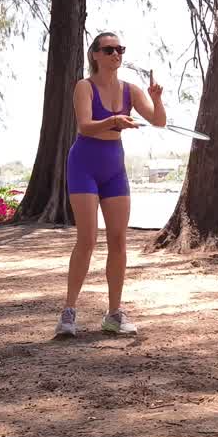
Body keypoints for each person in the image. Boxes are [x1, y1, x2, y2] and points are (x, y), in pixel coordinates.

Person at [55, 32, 165, 337]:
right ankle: (68, 313)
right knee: (87, 239)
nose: (116, 54)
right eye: (109, 49)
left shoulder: (131, 89)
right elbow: (85, 126)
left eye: (120, 49)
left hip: (114, 167)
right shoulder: (84, 87)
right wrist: (114, 120)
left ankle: (113, 314)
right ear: (95, 55)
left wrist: (156, 100)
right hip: (84, 165)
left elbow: (159, 121)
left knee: (118, 241)